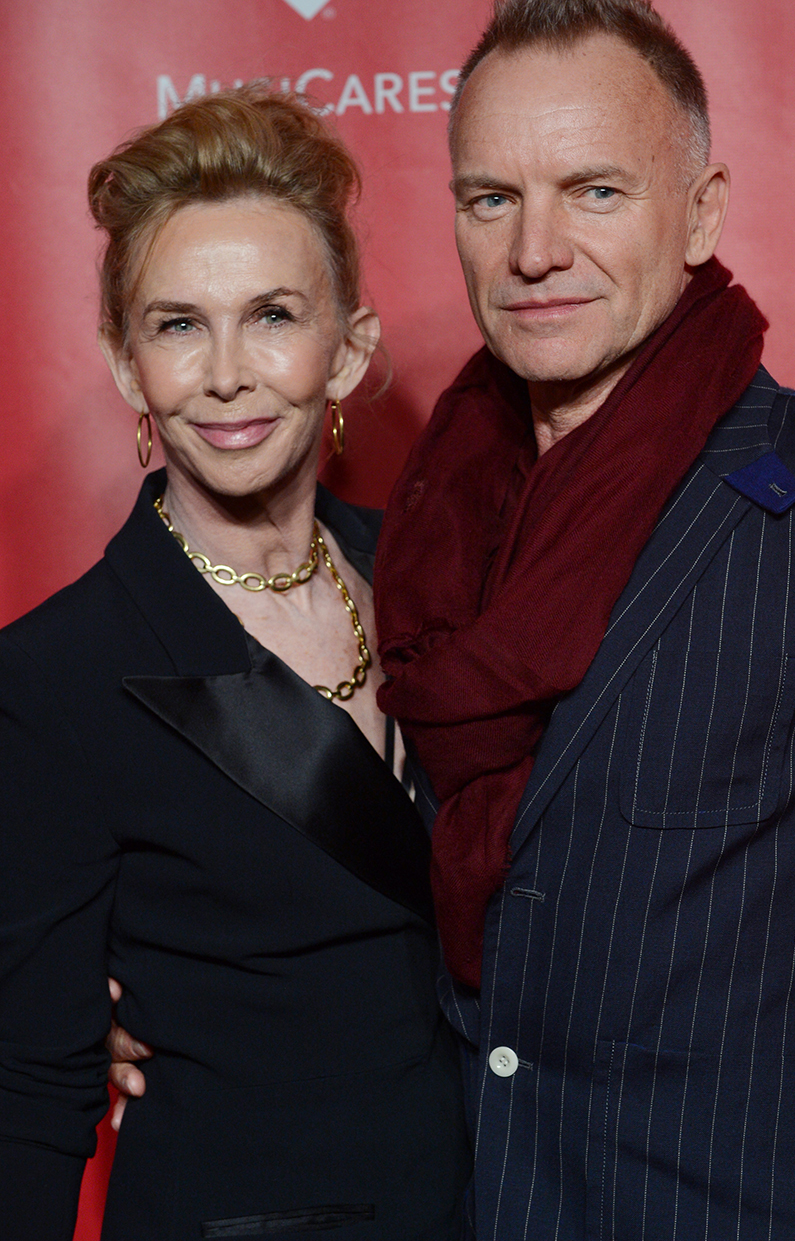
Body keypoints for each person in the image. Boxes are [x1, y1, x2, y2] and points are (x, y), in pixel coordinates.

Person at [369, 0, 795, 1240]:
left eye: (594, 191)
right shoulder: (430, 531)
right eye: (492, 197)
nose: (534, 248)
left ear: (701, 212)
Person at [0, 87, 469, 1239]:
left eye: (270, 315)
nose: (225, 373)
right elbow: (28, 1089)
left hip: (488, 1198)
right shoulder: (58, 675)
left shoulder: (446, 586)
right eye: (176, 324)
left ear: (348, 347)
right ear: (125, 366)